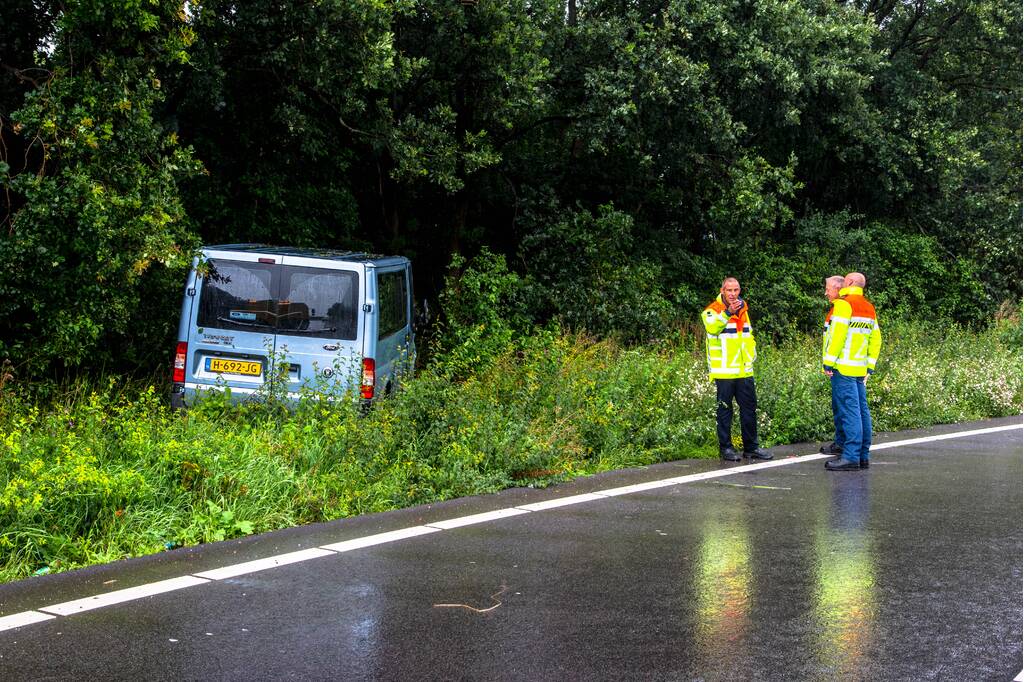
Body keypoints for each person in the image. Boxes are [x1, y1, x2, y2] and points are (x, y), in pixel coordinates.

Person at [702, 277, 772, 462]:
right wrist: (727, 313)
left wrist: (752, 355)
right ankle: (726, 448)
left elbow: (748, 336)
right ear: (722, 290)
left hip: (744, 369)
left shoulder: (744, 310)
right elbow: (712, 328)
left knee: (749, 409)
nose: (733, 294)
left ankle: (751, 448)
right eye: (729, 290)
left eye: (736, 290)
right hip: (724, 370)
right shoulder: (712, 310)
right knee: (725, 411)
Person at [822, 272, 882, 471]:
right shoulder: (868, 307)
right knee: (862, 411)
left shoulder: (843, 305)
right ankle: (863, 455)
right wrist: (870, 366)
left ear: (848, 283)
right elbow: (876, 339)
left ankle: (851, 457)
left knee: (850, 412)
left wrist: (828, 362)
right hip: (859, 367)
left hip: (844, 367)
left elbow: (837, 336)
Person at [820, 276, 846, 458]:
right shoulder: (835, 309)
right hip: (836, 364)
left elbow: (838, 338)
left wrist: (829, 362)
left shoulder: (841, 309)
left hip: (840, 365)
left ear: (838, 289)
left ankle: (844, 444)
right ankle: (840, 442)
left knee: (843, 407)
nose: (826, 292)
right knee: (838, 406)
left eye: (828, 288)